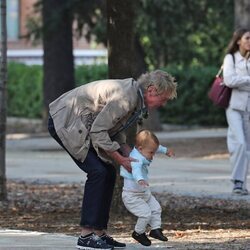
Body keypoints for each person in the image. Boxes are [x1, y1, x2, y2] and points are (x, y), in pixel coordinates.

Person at [47, 70, 177, 250]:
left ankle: (98, 233)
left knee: (107, 172)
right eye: (163, 99)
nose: (163, 104)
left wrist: (128, 154)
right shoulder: (126, 97)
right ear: (152, 90)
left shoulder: (134, 97)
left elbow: (113, 129)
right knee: (98, 172)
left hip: (81, 123)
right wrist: (120, 159)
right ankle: (86, 236)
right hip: (64, 121)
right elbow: (99, 132)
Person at [120, 129, 174, 246]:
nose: (153, 155)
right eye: (151, 153)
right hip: (132, 196)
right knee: (145, 214)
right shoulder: (136, 159)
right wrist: (140, 179)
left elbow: (156, 147)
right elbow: (136, 170)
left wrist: (166, 151)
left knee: (156, 208)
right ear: (140, 149)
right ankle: (138, 233)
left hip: (144, 193)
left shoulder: (145, 149)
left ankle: (155, 230)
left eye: (153, 152)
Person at [223, 27, 250, 195]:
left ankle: (241, 183)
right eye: (247, 38)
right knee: (239, 143)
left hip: (249, 108)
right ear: (239, 40)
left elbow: (235, 80)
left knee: (246, 146)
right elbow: (229, 80)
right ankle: (237, 182)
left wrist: (242, 81)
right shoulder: (230, 58)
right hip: (234, 107)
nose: (249, 41)